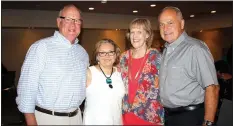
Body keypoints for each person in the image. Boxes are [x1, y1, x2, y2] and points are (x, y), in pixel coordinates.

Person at [16, 4, 89, 125]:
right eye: (68, 19)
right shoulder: (41, 48)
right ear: (59, 22)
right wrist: (31, 121)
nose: (73, 25)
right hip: (48, 118)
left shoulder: (82, 53)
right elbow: (27, 89)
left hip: (77, 118)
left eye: (77, 21)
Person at [158, 6, 220, 126]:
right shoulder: (167, 49)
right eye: (161, 24)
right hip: (169, 117)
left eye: (170, 23)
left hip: (189, 117)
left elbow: (212, 88)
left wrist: (208, 123)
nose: (165, 28)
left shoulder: (195, 49)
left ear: (182, 24)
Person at [119, 18, 164, 125]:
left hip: (149, 116)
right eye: (132, 32)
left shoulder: (156, 57)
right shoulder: (123, 57)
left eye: (139, 32)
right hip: (126, 115)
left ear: (147, 34)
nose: (134, 36)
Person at [83, 39, 125, 125]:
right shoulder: (88, 73)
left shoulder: (120, 74)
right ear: (97, 56)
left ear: (115, 55)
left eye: (110, 52)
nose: (107, 56)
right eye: (102, 53)